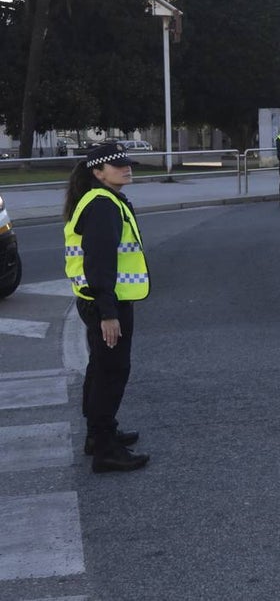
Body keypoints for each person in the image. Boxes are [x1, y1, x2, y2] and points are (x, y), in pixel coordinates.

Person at [63, 142, 150, 473]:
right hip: (107, 301)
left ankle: (98, 435)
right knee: (112, 372)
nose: (126, 168)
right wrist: (109, 313)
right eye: (117, 165)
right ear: (97, 172)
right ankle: (105, 449)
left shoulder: (101, 199)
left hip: (98, 300)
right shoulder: (102, 205)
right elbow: (100, 263)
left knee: (101, 368)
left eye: (127, 163)